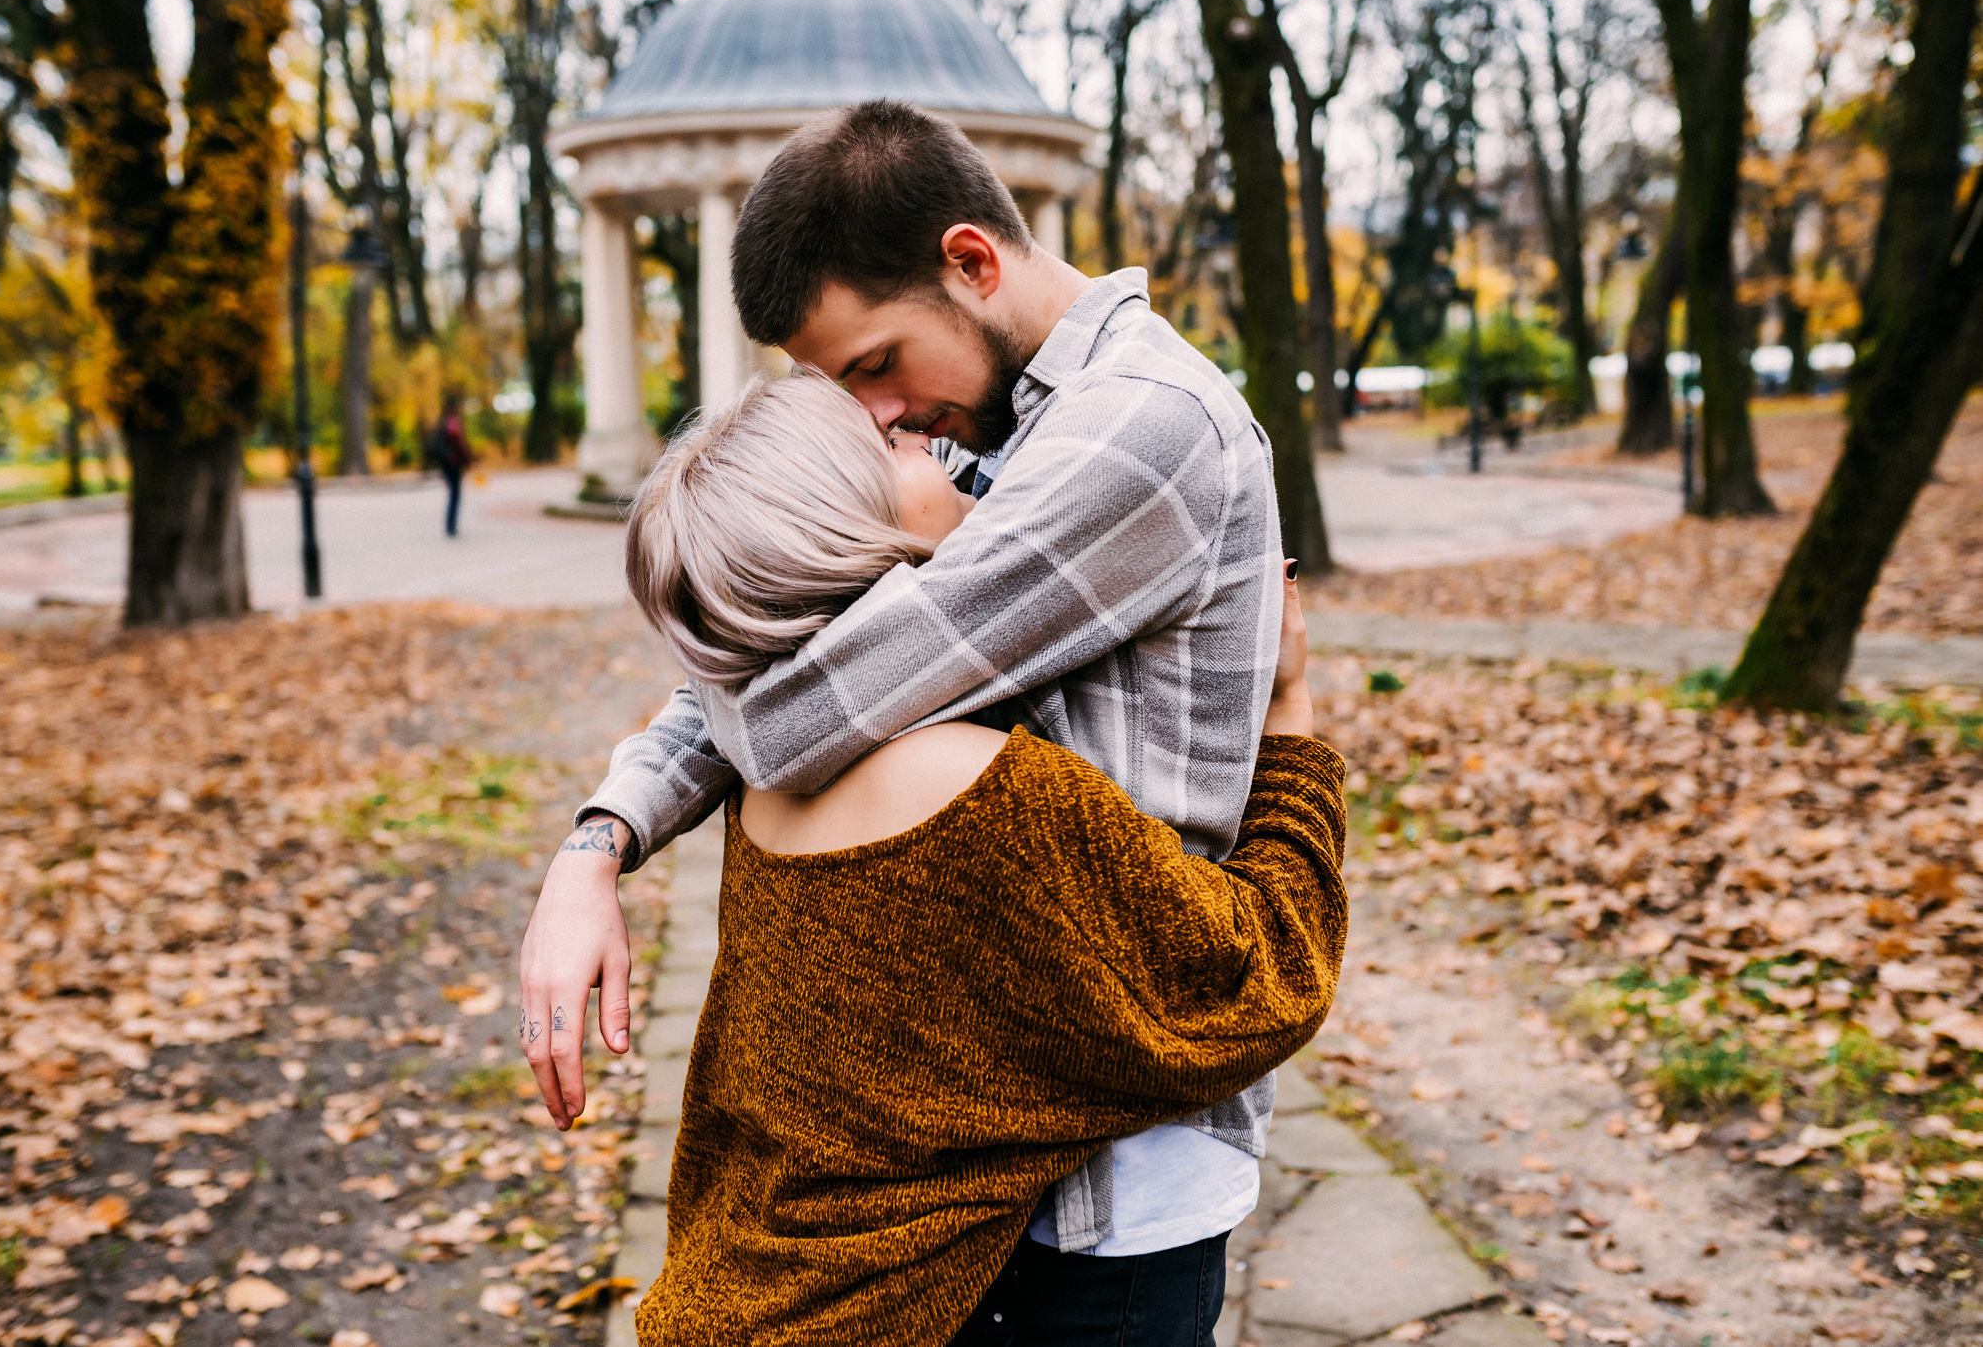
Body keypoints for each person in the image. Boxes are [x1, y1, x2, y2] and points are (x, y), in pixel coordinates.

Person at [519, 99, 1291, 1338]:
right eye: (839, 389)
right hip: (960, 1151)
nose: (874, 415)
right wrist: (596, 842)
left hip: (1102, 1172)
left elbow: (790, 709)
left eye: (874, 364)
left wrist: (713, 633)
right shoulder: (979, 427)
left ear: (971, 262)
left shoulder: (1140, 427)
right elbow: (799, 654)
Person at [618, 372, 1347, 1343]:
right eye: (883, 445)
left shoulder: (768, 779)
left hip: (743, 1299)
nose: (913, 429)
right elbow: (1255, 979)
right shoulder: (992, 797)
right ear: (841, 524)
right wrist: (1291, 720)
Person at [431, 394, 472, 536]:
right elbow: (460, 445)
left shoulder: (442, 423)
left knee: (453, 494)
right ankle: (451, 526)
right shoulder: (453, 423)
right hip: (453, 464)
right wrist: (470, 460)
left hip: (446, 464)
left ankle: (450, 525)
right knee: (455, 494)